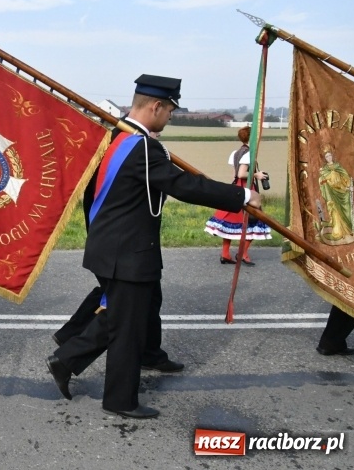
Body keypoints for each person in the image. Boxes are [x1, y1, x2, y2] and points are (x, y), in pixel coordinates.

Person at [46, 75, 262, 419]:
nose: (172, 116)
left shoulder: (119, 138)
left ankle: (130, 356)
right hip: (127, 252)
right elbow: (182, 185)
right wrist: (241, 195)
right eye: (170, 109)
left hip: (118, 246)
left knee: (140, 307)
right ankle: (117, 398)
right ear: (156, 106)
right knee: (126, 325)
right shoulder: (140, 147)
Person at [53, 129, 182, 374]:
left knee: (148, 298)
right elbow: (97, 198)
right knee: (124, 308)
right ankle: (68, 356)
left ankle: (150, 353)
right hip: (120, 245)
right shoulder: (117, 151)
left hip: (135, 245)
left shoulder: (130, 147)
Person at [204, 126, 271, 265]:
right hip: (246, 190)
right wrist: (257, 175)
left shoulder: (236, 153)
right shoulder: (249, 154)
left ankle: (225, 254)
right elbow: (241, 174)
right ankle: (243, 254)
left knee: (231, 221)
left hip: (235, 188)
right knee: (253, 220)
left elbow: (234, 174)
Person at [317, 145, 354, 243]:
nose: (328, 158)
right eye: (326, 157)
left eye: (330, 156)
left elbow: (346, 177)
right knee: (335, 212)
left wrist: (348, 184)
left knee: (347, 211)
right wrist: (324, 179)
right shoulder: (324, 170)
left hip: (343, 193)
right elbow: (322, 181)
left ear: (332, 156)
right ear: (325, 159)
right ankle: (338, 232)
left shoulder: (338, 166)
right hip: (332, 194)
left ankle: (349, 231)